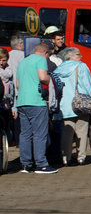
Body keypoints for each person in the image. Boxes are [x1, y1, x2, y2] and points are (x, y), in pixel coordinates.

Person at [56, 47, 91, 167]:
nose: (81, 56)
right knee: (82, 130)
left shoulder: (59, 68)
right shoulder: (81, 66)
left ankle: (65, 157)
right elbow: (88, 84)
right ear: (70, 56)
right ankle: (81, 157)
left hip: (64, 104)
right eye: (78, 54)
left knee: (67, 131)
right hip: (80, 103)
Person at [15, 42, 54, 174]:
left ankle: (26, 164)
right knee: (40, 134)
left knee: (25, 134)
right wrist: (52, 80)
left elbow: (17, 85)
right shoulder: (41, 60)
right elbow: (43, 77)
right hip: (36, 101)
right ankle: (41, 164)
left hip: (22, 101)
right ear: (45, 52)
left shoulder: (23, 62)